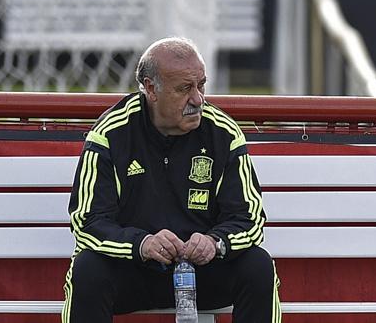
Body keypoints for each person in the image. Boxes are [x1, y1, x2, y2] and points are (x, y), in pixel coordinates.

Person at [62, 37, 281, 322]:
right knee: (87, 269)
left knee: (258, 266)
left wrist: (215, 243)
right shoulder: (109, 134)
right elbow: (88, 223)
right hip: (134, 271)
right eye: (184, 89)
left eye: (201, 85)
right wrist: (141, 244)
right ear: (151, 89)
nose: (198, 99)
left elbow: (249, 219)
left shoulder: (224, 132)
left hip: (203, 272)